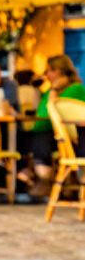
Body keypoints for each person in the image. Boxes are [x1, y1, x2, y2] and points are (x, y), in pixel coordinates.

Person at [23, 54, 85, 196]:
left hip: (75, 141)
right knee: (32, 137)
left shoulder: (75, 89)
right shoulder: (51, 92)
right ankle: (37, 175)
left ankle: (43, 177)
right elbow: (41, 118)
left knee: (40, 137)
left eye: (48, 71)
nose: (46, 75)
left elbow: (47, 117)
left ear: (58, 71)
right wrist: (38, 89)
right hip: (62, 139)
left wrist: (54, 92)